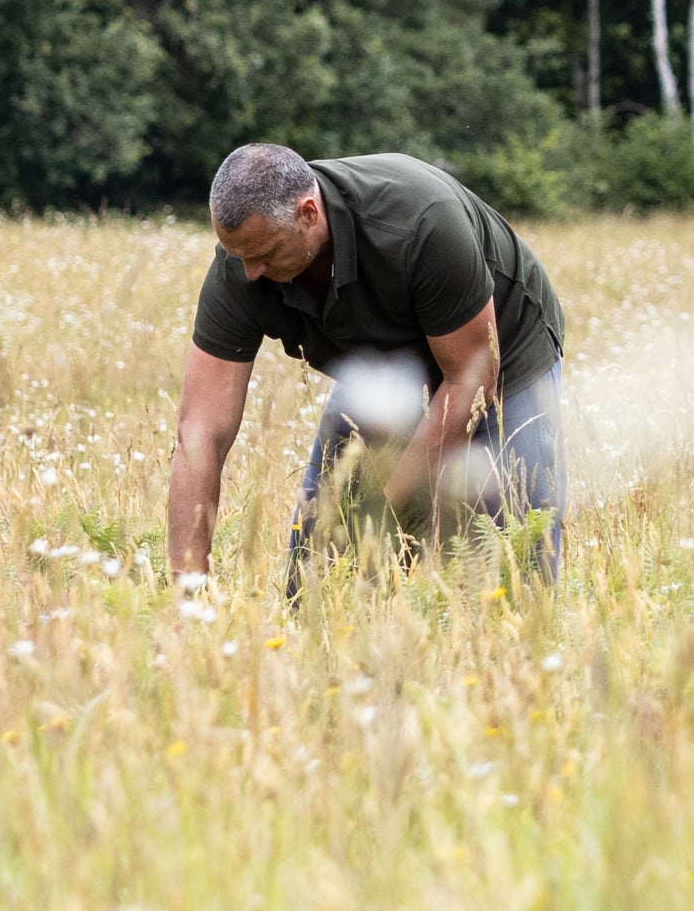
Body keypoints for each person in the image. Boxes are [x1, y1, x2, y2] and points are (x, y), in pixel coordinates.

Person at [168, 143, 567, 589]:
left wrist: (384, 517)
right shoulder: (243, 265)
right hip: (385, 367)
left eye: (267, 253)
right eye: (240, 255)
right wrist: (189, 589)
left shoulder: (421, 221)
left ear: (308, 214)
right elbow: (199, 432)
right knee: (322, 567)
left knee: (510, 561)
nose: (251, 272)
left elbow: (469, 380)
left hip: (498, 350)